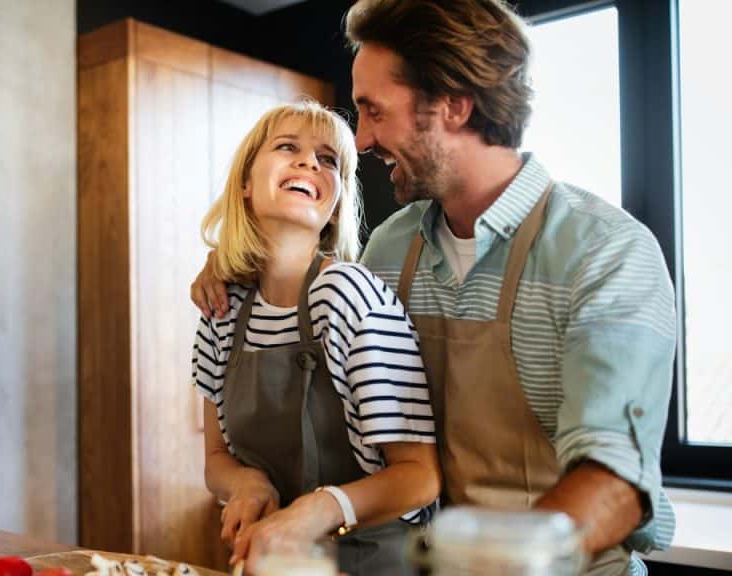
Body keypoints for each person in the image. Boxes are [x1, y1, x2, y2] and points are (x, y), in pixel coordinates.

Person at [192, 2, 676, 575]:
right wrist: (235, 267)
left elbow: (613, 481)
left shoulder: (604, 252)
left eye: (374, 111)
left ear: (453, 104)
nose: (363, 140)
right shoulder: (391, 250)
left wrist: (510, 559)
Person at [192, 100, 440, 575]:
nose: (309, 162)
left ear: (336, 204)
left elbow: (419, 477)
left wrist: (318, 510)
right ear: (245, 184)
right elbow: (215, 458)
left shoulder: (349, 295)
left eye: (328, 160)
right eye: (288, 147)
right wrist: (244, 484)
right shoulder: (221, 310)